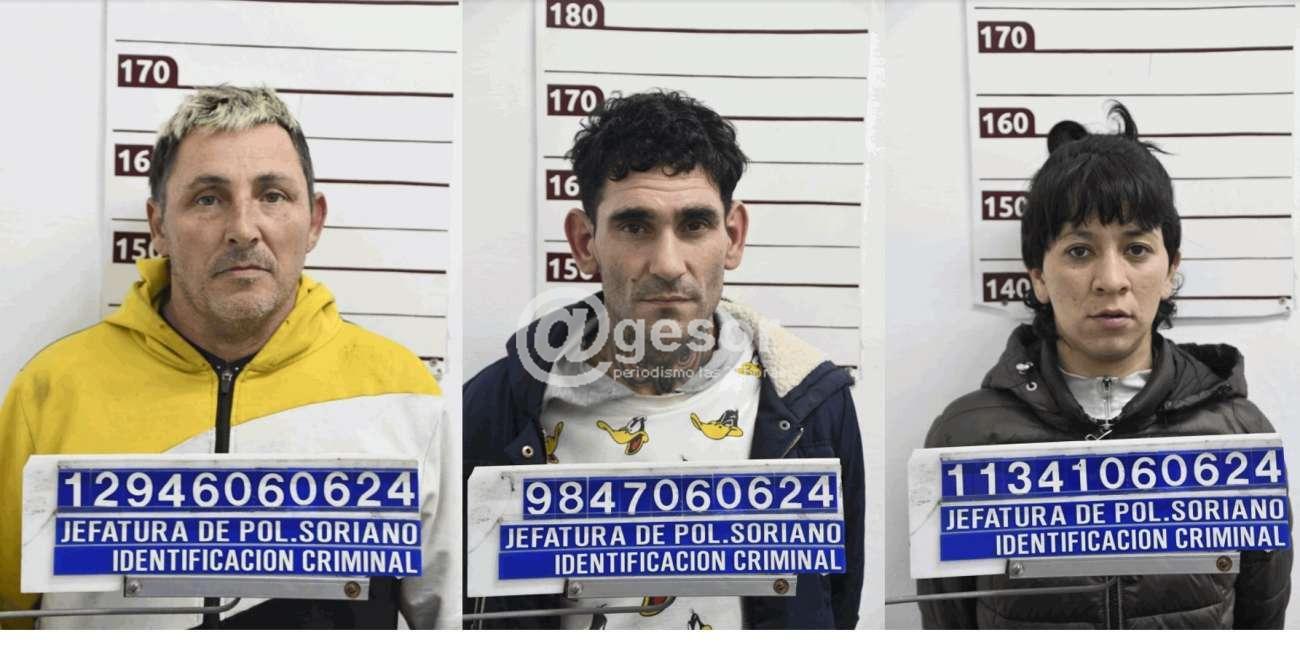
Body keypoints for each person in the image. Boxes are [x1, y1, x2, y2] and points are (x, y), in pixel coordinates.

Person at [0, 86, 455, 629]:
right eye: (208, 199)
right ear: (158, 225)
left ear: (314, 221)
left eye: (273, 195)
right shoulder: (52, 389)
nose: (243, 229)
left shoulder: (404, 393)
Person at [463, 90, 864, 629]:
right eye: (635, 226)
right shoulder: (497, 406)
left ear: (733, 237)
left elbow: (834, 610)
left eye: (694, 225)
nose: (668, 264)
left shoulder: (811, 405)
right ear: (584, 242)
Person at [917, 103, 1291, 629]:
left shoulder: (1239, 435)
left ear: (1170, 269)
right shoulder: (965, 439)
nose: (1111, 280)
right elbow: (950, 633)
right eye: (1078, 252)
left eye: (1136, 249)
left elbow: (1262, 632)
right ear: (1038, 276)